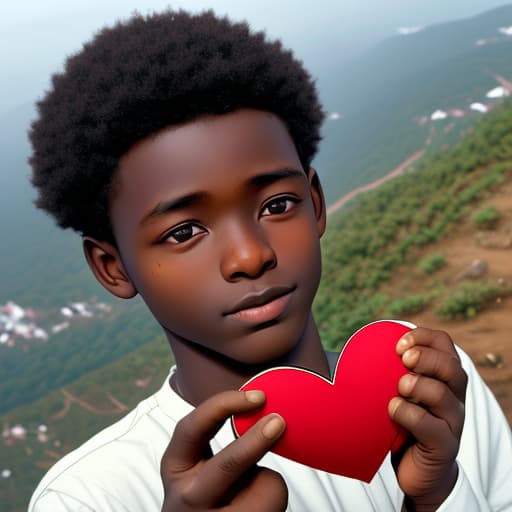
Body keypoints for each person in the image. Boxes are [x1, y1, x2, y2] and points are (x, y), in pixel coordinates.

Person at [28, 9, 511, 512]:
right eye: (183, 232)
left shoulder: (429, 390)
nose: (251, 255)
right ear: (114, 267)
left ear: (316, 203)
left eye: (277, 205)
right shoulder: (93, 495)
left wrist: (438, 496)